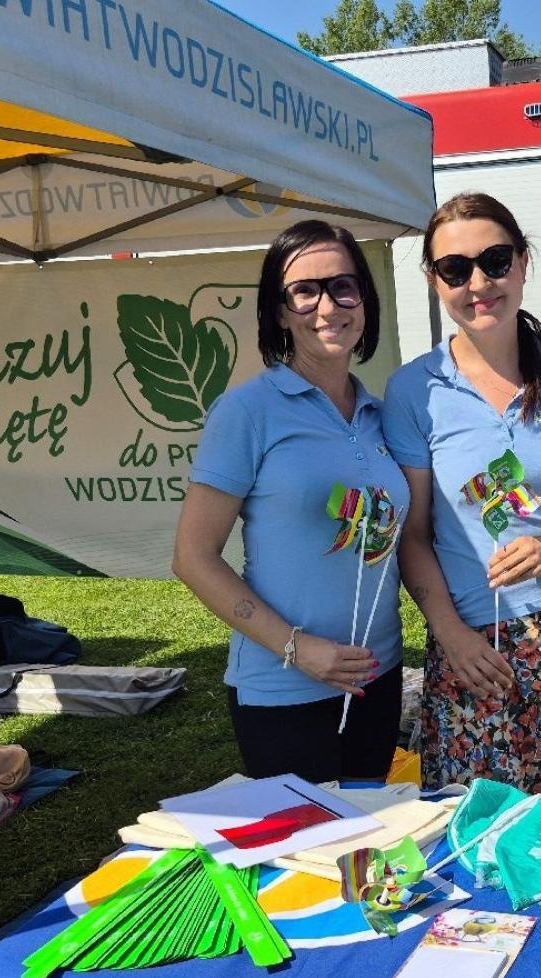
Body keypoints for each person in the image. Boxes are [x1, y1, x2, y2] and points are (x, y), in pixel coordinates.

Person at [383, 192, 541, 791]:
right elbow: (413, 536)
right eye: (455, 269)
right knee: (478, 829)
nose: (478, 282)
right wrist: (449, 633)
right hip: (472, 645)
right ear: (435, 282)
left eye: (494, 259)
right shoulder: (415, 390)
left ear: (523, 261)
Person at [174, 220, 409, 784]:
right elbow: (192, 557)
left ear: (364, 300)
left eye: (342, 287)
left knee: (365, 854)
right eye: (305, 291)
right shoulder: (248, 411)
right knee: (306, 860)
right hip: (285, 688)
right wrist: (296, 649)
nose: (327, 306)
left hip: (378, 676)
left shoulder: (381, 413)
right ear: (280, 311)